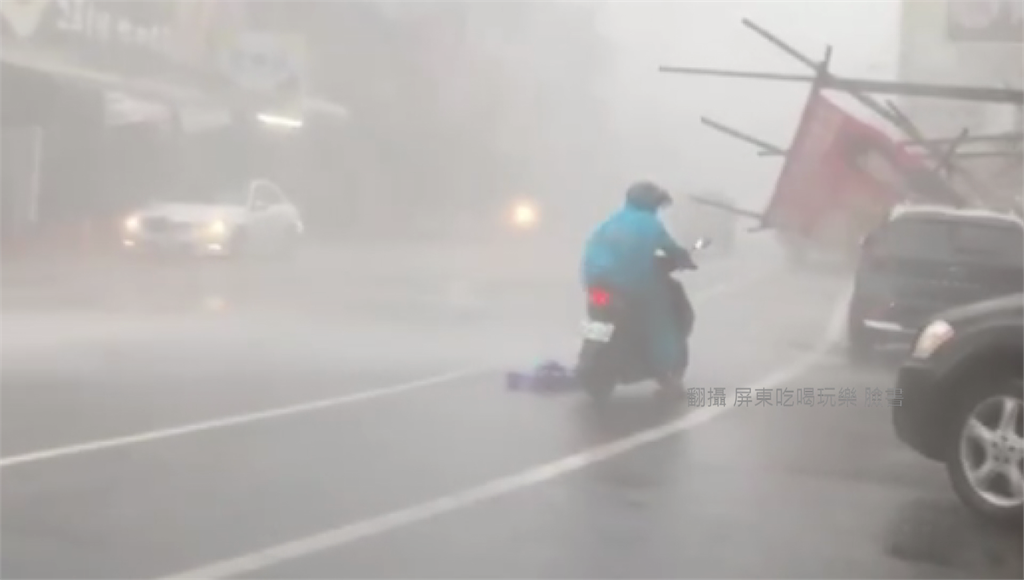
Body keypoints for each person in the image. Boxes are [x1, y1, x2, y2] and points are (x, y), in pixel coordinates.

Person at [581, 181, 695, 394]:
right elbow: (671, 250)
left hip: (596, 285)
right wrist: (683, 259)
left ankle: (587, 361)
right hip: (633, 285)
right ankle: (667, 375)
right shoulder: (651, 225)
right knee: (662, 323)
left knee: (597, 321)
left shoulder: (610, 222)